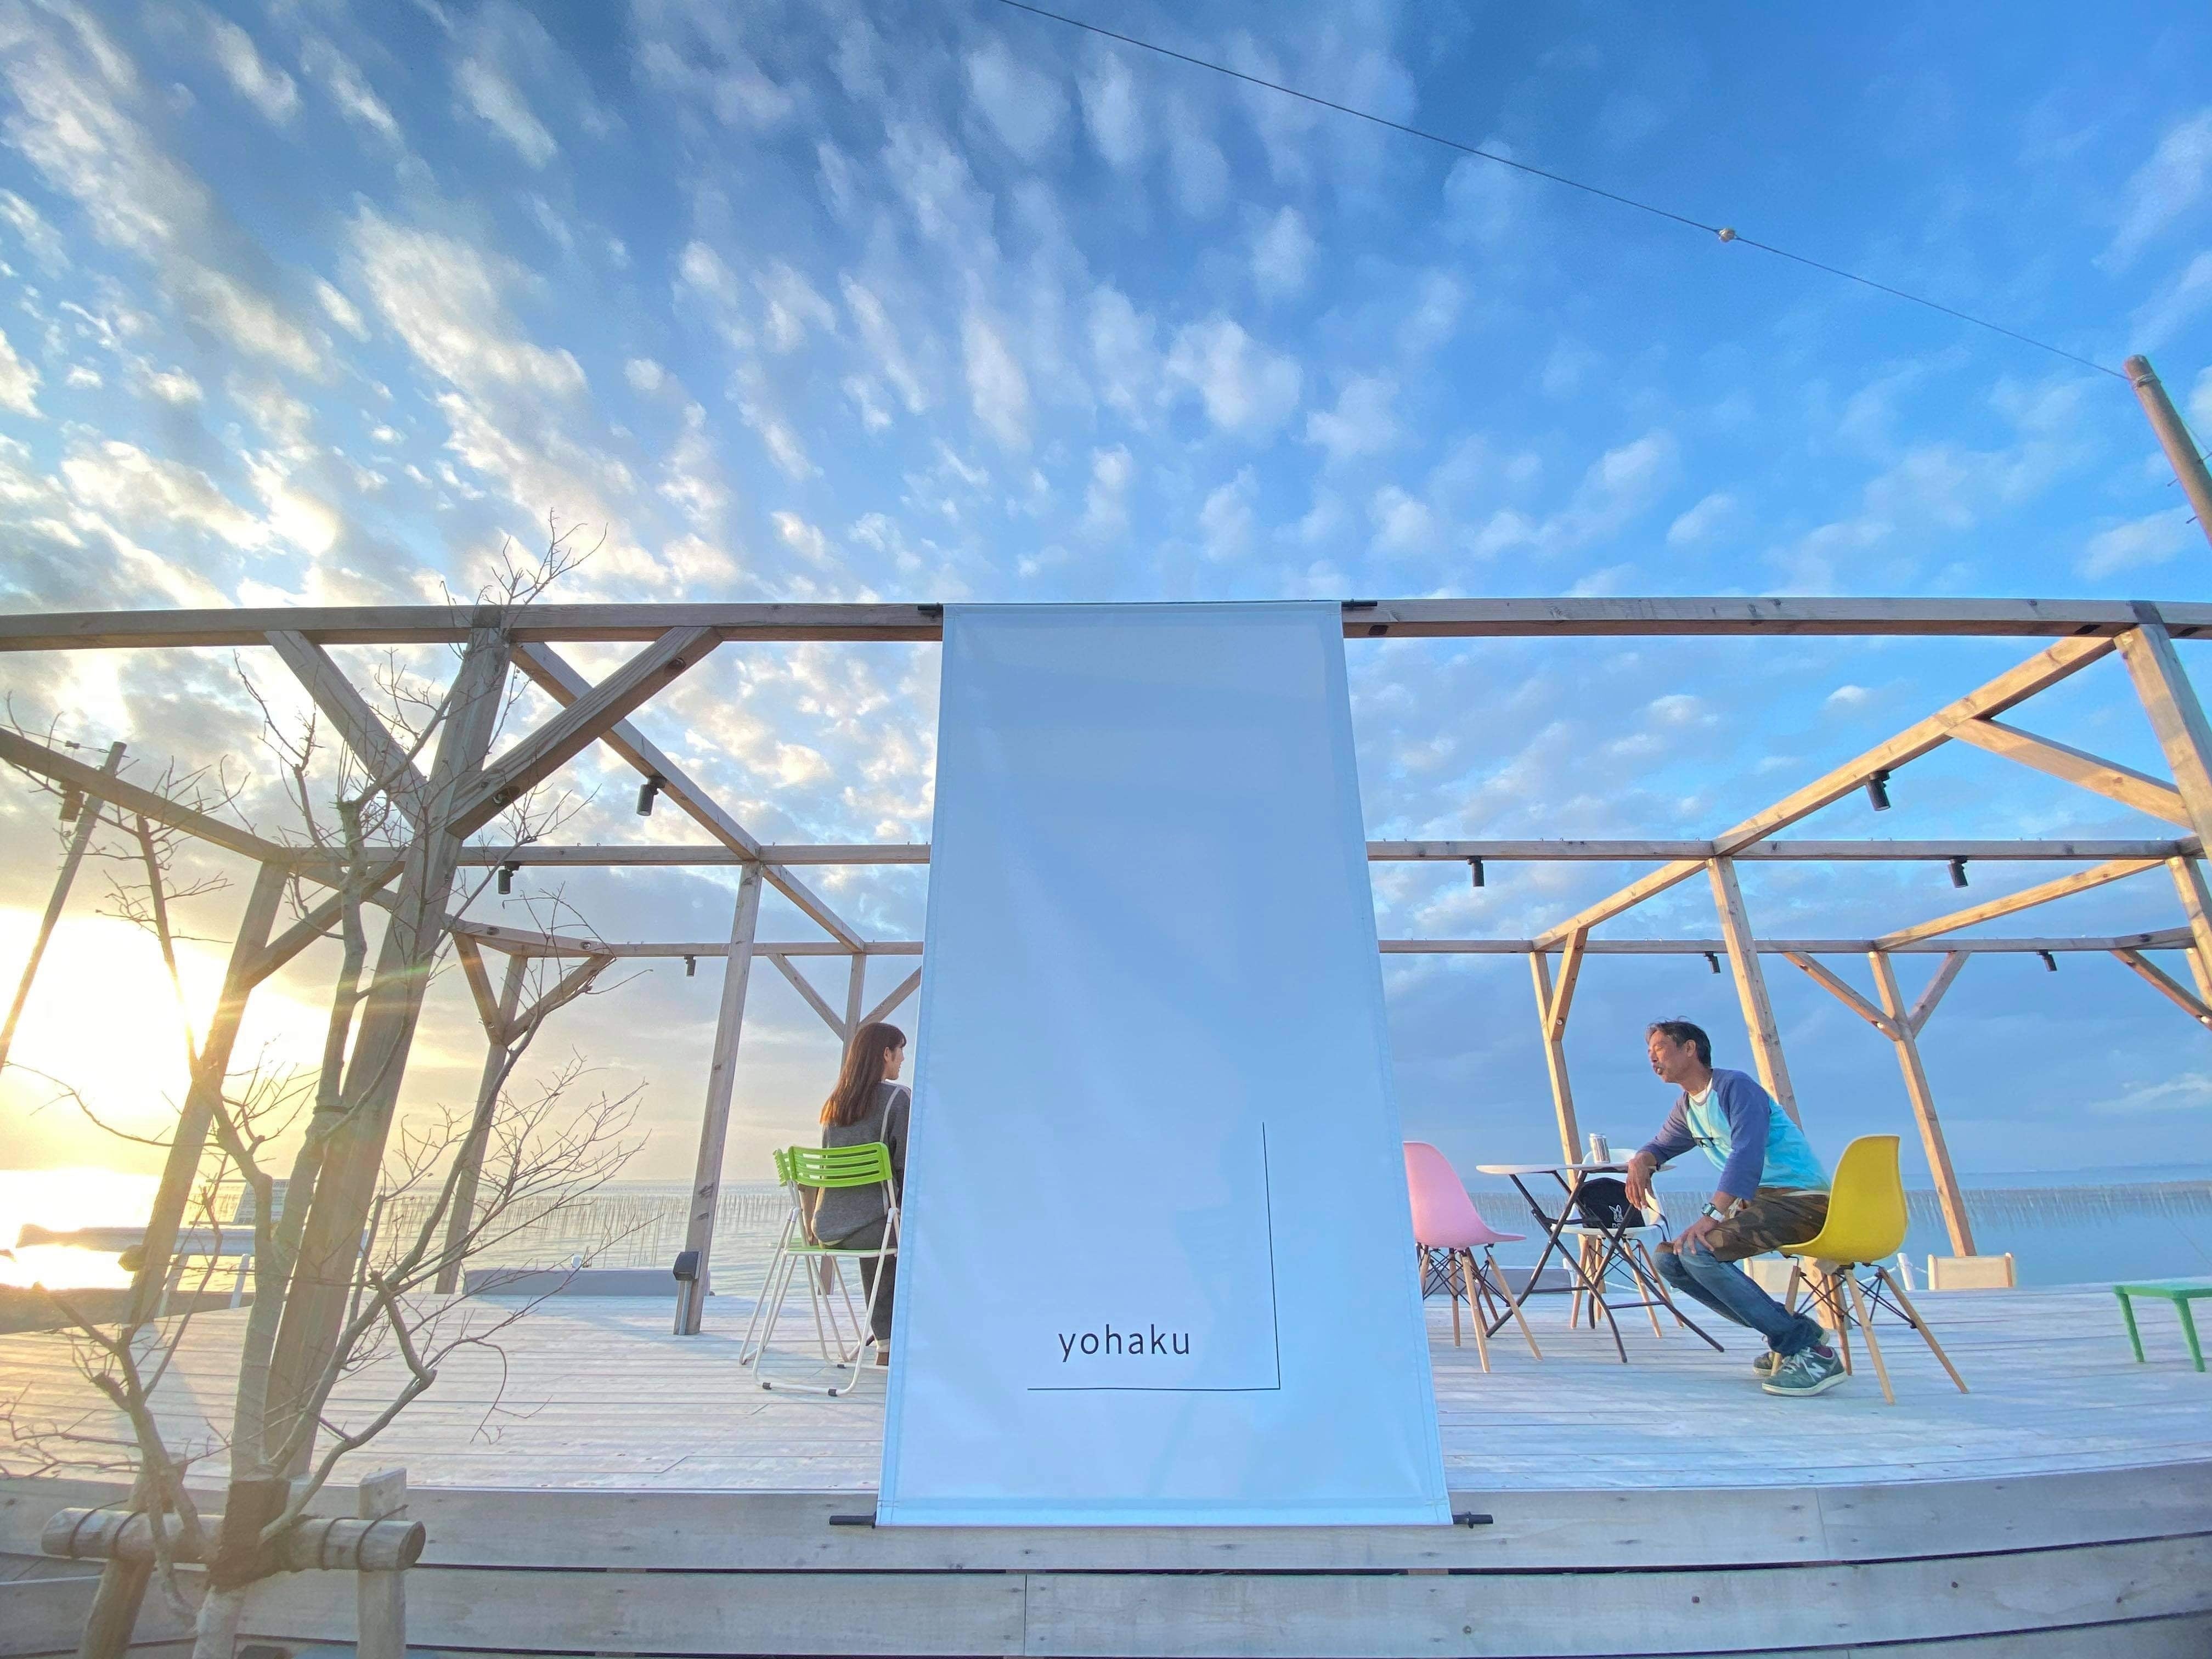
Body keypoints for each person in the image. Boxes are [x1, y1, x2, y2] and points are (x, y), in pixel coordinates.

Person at [1624, 1019, 1845, 1398]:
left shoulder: (1734, 1087)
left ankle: (1810, 1351)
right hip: (1762, 1203)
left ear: (1690, 1049)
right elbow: (1661, 1145)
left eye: (1659, 1048)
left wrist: (1711, 1216)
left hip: (1801, 1201)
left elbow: (1747, 1153)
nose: (1652, 1059)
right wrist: (1640, 1160)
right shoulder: (1688, 1106)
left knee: (1698, 1251)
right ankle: (1791, 1332)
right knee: (1669, 1260)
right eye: (1649, 1052)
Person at [809, 1021, 909, 1365]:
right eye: (900, 1051)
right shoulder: (897, 1099)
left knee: (884, 1229)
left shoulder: (834, 1105)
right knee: (906, 1231)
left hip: (827, 1230)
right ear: (886, 1054)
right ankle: (899, 1341)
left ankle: (885, 1340)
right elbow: (908, 1167)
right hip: (875, 1229)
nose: (902, 1059)